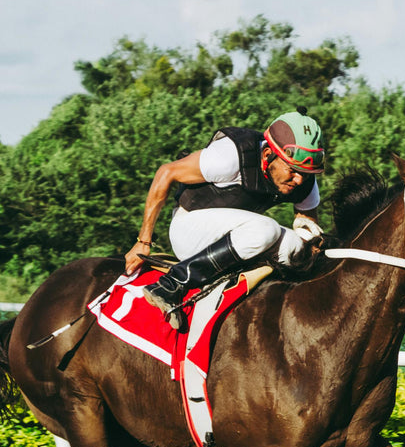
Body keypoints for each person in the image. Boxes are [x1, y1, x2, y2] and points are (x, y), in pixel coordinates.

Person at [125, 110, 327, 324]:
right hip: (189, 230)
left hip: (231, 237)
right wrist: (143, 242)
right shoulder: (228, 156)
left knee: (296, 248)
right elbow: (165, 173)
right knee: (266, 229)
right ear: (268, 154)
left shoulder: (303, 180)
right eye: (292, 170)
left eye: (306, 174)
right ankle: (172, 284)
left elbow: (308, 228)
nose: (299, 180)